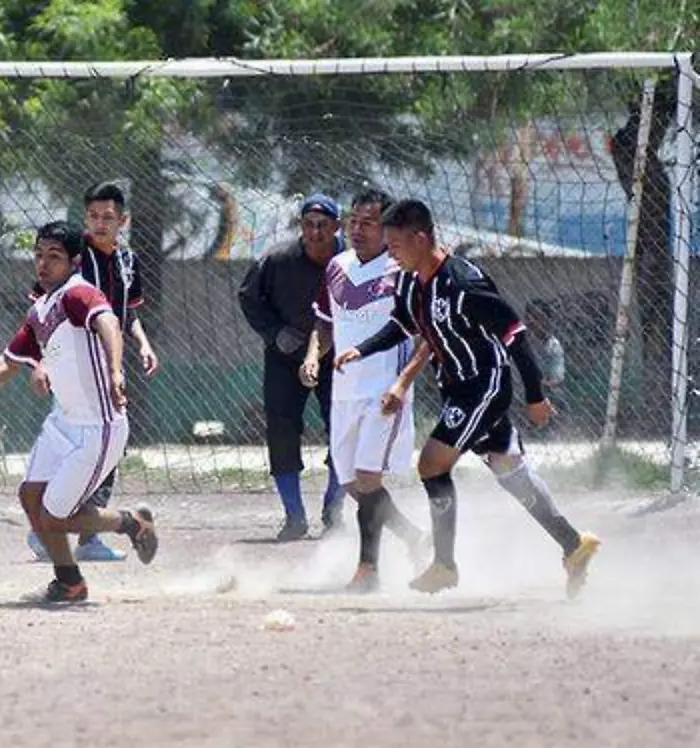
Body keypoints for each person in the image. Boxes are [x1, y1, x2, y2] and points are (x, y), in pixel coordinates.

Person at [334, 199, 601, 597]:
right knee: (511, 472)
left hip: (483, 386)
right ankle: (573, 544)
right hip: (457, 387)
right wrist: (363, 348)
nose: (391, 253)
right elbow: (402, 324)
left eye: (396, 245)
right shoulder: (409, 280)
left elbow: (515, 335)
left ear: (421, 239)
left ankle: (444, 564)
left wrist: (534, 396)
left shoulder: (462, 282)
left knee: (431, 464)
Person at [0, 221, 158, 604]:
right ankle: (69, 582)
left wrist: (117, 370)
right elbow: (6, 364)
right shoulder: (41, 309)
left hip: (97, 428)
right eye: (39, 255)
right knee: (31, 497)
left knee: (55, 516)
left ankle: (129, 523)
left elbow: (108, 322)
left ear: (73, 261)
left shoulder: (78, 293)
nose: (43, 263)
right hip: (62, 424)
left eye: (53, 256)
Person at [302, 189, 430, 592]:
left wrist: (402, 382)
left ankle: (367, 570)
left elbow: (427, 333)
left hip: (383, 392)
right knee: (350, 484)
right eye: (354, 221)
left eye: (369, 222)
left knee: (368, 478)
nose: (357, 229)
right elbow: (325, 322)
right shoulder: (336, 266)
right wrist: (312, 356)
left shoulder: (403, 271)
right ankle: (413, 537)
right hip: (343, 392)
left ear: (387, 227)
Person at [26, 182, 159, 563]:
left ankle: (86, 535)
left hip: (109, 368)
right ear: (85, 218)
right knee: (72, 446)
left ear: (123, 221)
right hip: (72, 365)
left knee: (104, 450)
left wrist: (144, 344)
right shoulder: (71, 258)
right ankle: (52, 527)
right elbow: (42, 314)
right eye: (93, 217)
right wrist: (40, 362)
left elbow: (125, 313)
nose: (100, 224)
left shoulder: (128, 260)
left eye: (108, 217)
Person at [237, 193, 346, 541]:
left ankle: (334, 507)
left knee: (344, 431)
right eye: (309, 225)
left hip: (341, 357)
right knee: (281, 431)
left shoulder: (351, 260)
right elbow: (249, 297)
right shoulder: (278, 258)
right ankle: (294, 515)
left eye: (323, 225)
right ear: (301, 227)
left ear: (337, 227)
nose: (316, 232)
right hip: (286, 356)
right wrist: (274, 333)